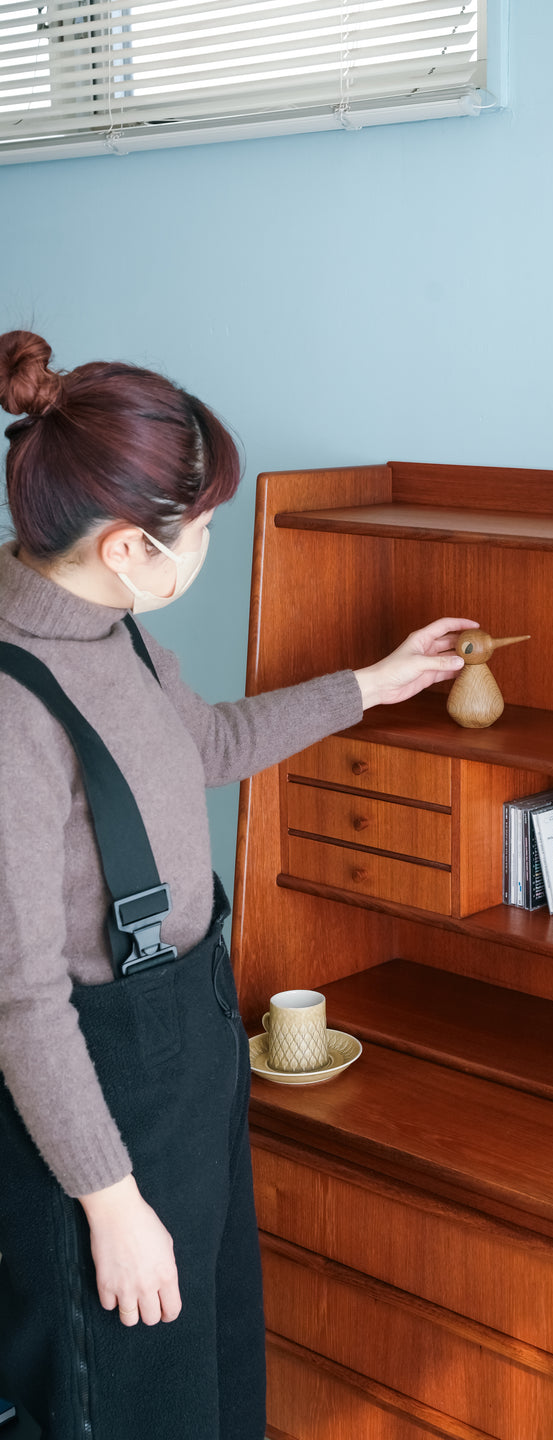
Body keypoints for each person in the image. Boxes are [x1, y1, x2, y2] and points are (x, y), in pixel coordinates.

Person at [0, 329, 475, 1439]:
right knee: (116, 1400)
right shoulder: (14, 708)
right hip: (95, 1098)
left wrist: (372, 683)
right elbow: (21, 1000)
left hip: (189, 1043)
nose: (208, 545)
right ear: (127, 547)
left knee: (208, 1369)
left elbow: (201, 746)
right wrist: (110, 1204)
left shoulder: (113, 629)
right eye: (202, 529)